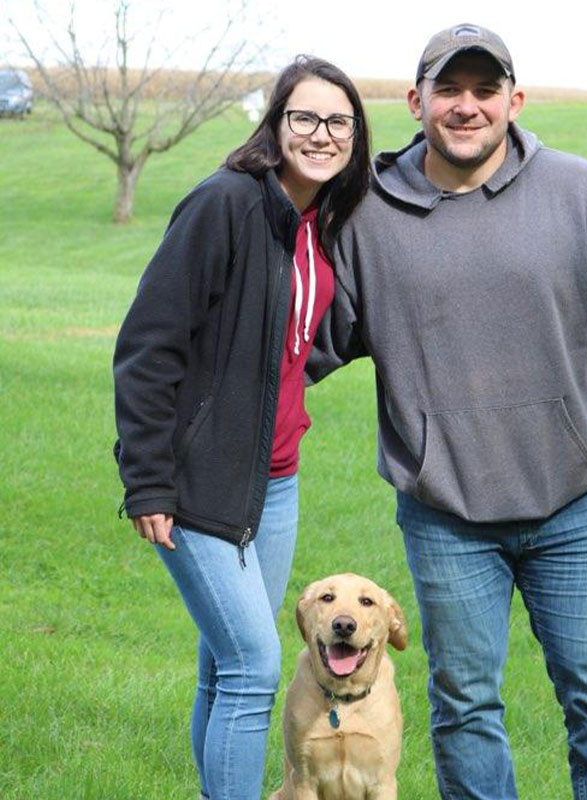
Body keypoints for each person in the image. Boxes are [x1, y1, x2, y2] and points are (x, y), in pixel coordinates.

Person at [308, 23, 587, 800]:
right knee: (465, 707)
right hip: (445, 514)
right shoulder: (366, 215)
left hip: (574, 505)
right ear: (417, 102)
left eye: (486, 91)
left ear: (515, 101)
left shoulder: (581, 192)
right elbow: (310, 340)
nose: (467, 107)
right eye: (449, 89)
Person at [113, 55, 371, 800]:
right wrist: (148, 479)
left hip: (275, 480)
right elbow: (148, 345)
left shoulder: (321, 218)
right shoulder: (223, 204)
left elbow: (291, 334)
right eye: (305, 117)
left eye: (339, 122)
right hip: (197, 482)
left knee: (221, 667)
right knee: (254, 669)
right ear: (276, 122)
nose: (321, 134)